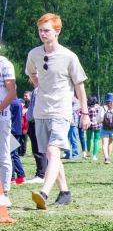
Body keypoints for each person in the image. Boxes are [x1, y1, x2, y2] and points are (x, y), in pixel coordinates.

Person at [25, 13, 90, 209]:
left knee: (54, 151)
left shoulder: (69, 57)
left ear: (57, 31)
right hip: (41, 111)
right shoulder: (34, 54)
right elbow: (32, 74)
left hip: (61, 111)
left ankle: (44, 192)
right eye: (40, 30)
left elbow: (80, 87)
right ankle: (65, 192)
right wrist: (39, 86)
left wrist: (84, 113)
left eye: (47, 30)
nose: (42, 34)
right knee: (51, 155)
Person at [0, 51, 16, 202]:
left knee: (3, 154)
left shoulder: (5, 65)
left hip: (2, 117)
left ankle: (4, 192)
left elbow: (12, 93)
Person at [9, 96, 26, 184]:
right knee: (14, 154)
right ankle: (21, 176)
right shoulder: (17, 101)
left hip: (11, 130)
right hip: (17, 130)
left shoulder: (11, 102)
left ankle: (11, 178)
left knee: (10, 155)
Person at [85, 96, 102, 160]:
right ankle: (94, 156)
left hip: (89, 125)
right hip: (97, 125)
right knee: (96, 140)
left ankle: (88, 152)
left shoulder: (88, 109)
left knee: (88, 139)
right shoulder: (98, 108)